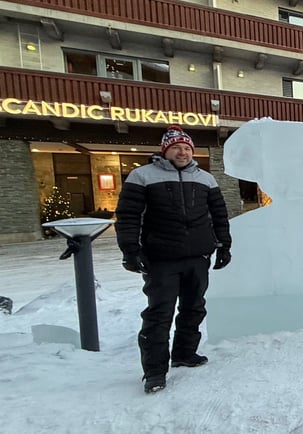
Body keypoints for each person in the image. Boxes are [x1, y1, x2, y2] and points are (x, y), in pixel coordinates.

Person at [115, 125, 232, 394]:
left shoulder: (206, 179)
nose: (182, 152)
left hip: (198, 256)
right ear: (165, 150)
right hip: (161, 258)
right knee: (159, 314)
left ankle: (184, 353)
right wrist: (130, 250)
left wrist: (224, 245)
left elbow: (219, 215)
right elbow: (129, 216)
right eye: (177, 147)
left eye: (187, 148)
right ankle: (155, 371)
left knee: (194, 308)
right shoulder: (142, 176)